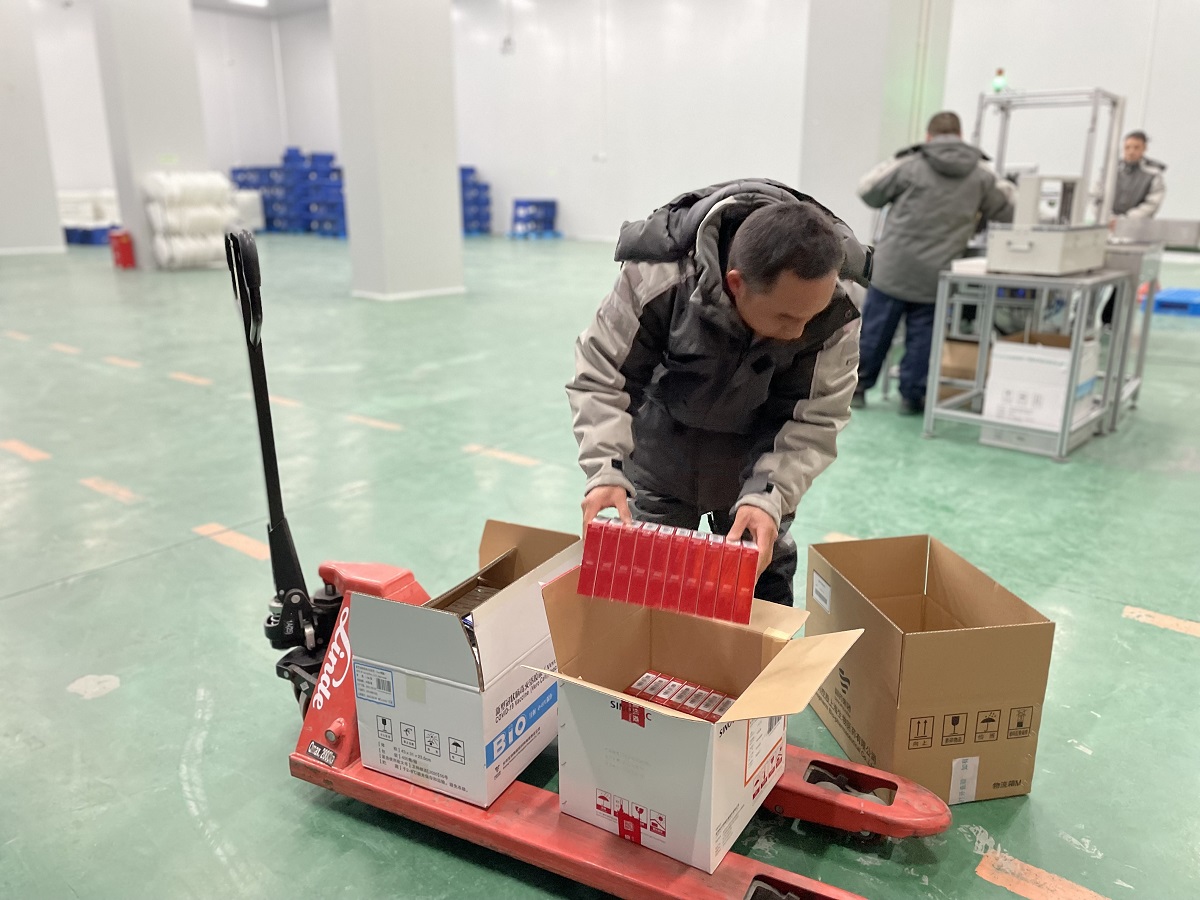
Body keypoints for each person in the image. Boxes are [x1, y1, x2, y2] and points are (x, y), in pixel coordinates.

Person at [566, 180, 871, 606]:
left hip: (757, 458)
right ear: (736, 283)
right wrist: (605, 469)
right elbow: (602, 375)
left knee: (762, 591)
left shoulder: (835, 305)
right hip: (661, 451)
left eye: (810, 316)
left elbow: (815, 417)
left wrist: (769, 498)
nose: (799, 332)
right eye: (786, 318)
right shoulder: (659, 277)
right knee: (649, 593)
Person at [852, 111, 1015, 414]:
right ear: (960, 135)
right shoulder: (981, 174)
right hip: (937, 273)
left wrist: (896, 159)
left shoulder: (911, 164)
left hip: (894, 268)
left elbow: (868, 192)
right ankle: (911, 397)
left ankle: (857, 389)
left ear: (928, 136)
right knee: (923, 338)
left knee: (875, 331)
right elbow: (1007, 209)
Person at [1112, 130, 1166, 220]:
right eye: (1127, 147)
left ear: (1144, 148)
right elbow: (1096, 197)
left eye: (1136, 147)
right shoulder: (1111, 170)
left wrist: (1127, 219)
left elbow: (1153, 202)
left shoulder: (1153, 173)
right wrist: (1108, 217)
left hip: (1138, 224)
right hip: (1107, 223)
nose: (1131, 151)